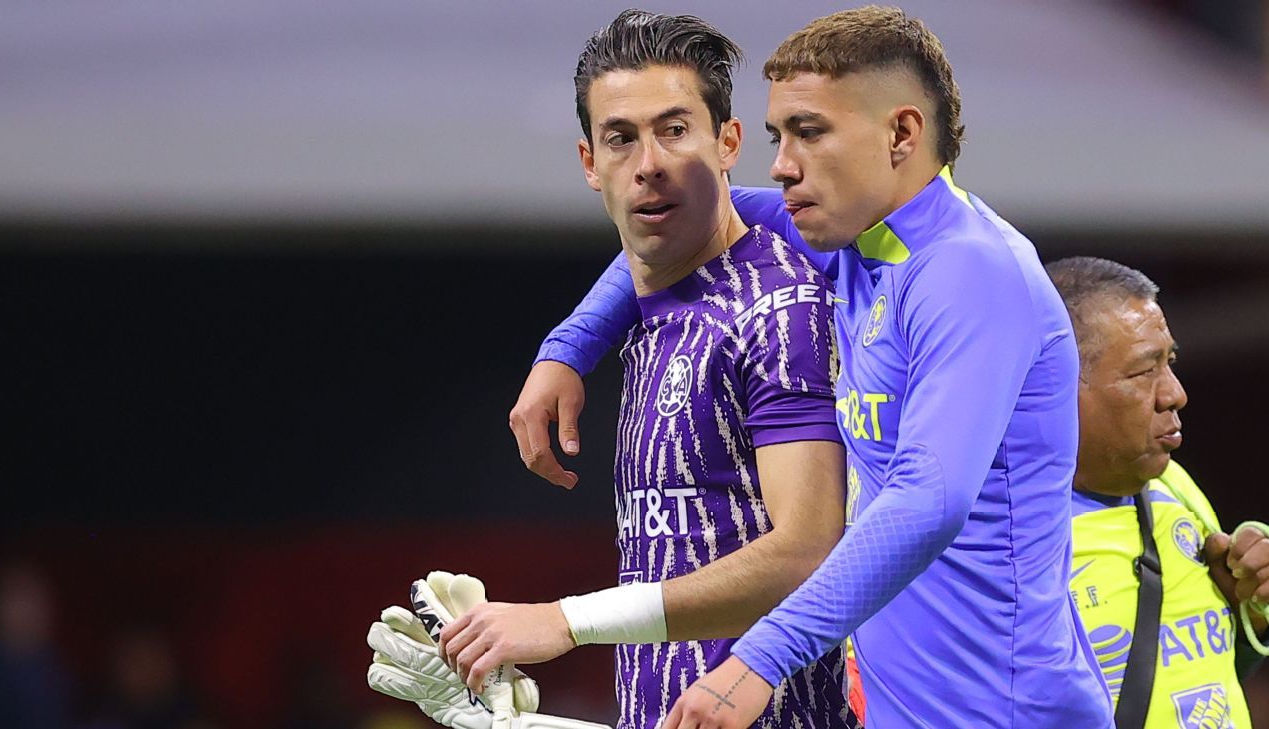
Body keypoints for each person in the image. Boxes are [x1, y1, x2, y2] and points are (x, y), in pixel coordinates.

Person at [513, 7, 1114, 728]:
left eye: (810, 132)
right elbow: (677, 214)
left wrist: (760, 659)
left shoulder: (970, 271)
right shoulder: (858, 247)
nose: (782, 165)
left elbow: (928, 502)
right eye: (778, 136)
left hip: (1005, 713)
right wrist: (568, 349)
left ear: (901, 134)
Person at [386, 10, 859, 729]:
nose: (649, 163)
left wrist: (564, 620)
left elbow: (806, 556)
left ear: (728, 143)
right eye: (621, 138)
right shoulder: (657, 314)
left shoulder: (777, 310)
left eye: (675, 130)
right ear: (590, 162)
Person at [1046, 256, 1269, 729]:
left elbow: (1191, 678)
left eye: (1169, 362)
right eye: (1143, 372)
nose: (1175, 394)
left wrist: (1249, 610)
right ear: (1055, 385)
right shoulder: (995, 534)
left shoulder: (1171, 485)